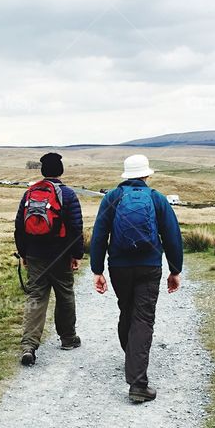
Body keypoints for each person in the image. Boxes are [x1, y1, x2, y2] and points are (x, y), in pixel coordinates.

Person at [90, 154, 183, 402]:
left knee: (126, 310)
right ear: (147, 175)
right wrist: (175, 270)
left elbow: (99, 234)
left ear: (125, 175)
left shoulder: (112, 198)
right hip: (149, 265)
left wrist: (97, 270)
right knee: (143, 318)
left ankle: (133, 359)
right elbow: (172, 236)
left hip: (119, 266)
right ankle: (138, 382)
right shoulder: (156, 198)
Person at [14, 152, 84, 366]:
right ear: (60, 171)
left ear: (43, 171)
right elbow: (76, 227)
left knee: (36, 297)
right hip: (60, 255)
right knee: (65, 295)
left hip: (35, 254)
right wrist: (76, 255)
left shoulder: (30, 193)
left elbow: (19, 226)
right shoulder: (68, 194)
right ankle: (68, 339)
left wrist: (24, 253)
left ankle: (29, 346)